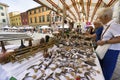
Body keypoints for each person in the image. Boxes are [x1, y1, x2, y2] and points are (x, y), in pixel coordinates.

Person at [96, 7, 120, 80]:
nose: (99, 20)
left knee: (106, 71)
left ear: (106, 16)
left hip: (111, 52)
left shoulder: (114, 25)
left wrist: (105, 42)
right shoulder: (107, 25)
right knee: (102, 69)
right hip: (106, 50)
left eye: (100, 17)